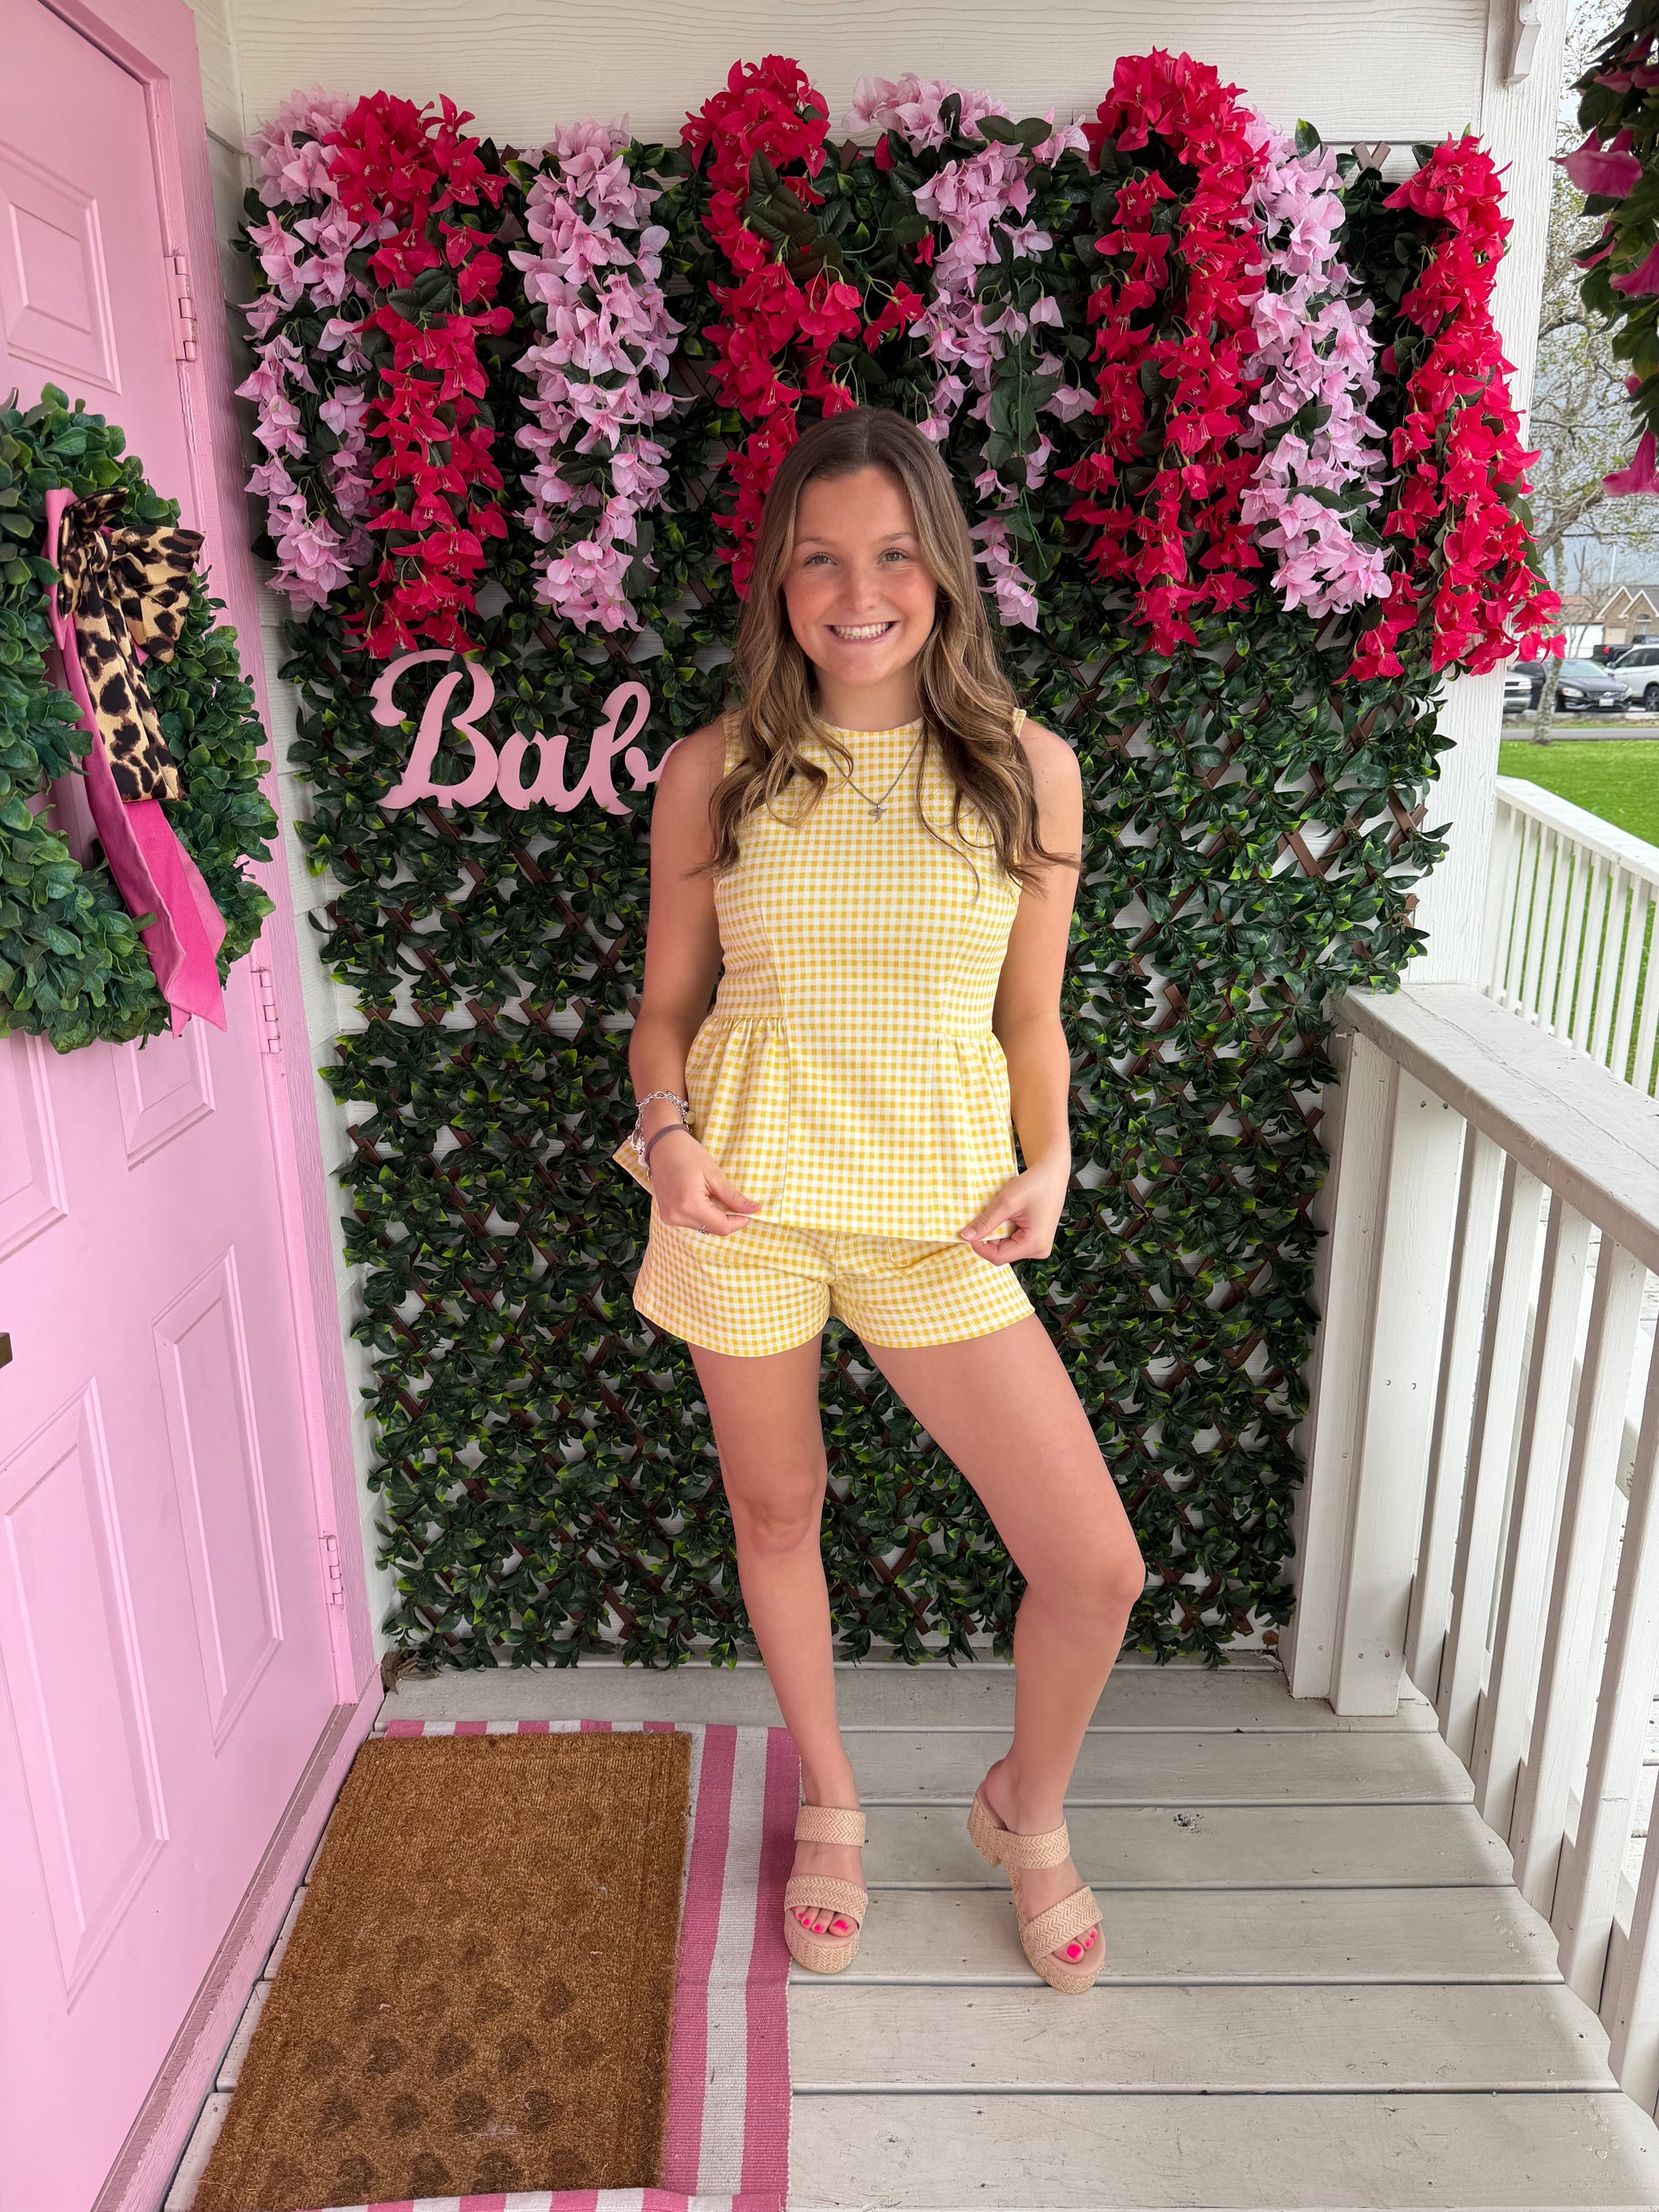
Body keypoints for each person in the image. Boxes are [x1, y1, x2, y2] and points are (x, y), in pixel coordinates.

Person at [616, 406, 1146, 1993]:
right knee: (778, 1512)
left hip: (936, 1218)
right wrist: (665, 1136)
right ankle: (832, 1807)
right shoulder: (713, 772)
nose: (859, 593)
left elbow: (1029, 1019)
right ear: (779, 583)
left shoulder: (1029, 773)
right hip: (745, 1206)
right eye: (820, 560)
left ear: (945, 573)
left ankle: (1023, 1812)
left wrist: (1049, 1160)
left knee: (1095, 1568)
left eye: (894, 555)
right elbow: (665, 1010)